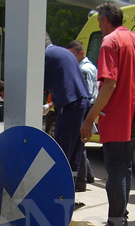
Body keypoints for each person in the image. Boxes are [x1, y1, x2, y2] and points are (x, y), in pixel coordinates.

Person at [80, 1, 135, 226]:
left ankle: (114, 225)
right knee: (126, 169)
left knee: (115, 172)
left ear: (104, 20)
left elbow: (109, 83)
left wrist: (90, 118)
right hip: (134, 116)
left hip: (116, 117)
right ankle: (121, 220)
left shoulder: (110, 42)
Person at [43, 33, 90, 179]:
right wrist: (51, 104)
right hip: (82, 102)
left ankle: (59, 191)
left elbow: (37, 83)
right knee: (75, 150)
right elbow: (68, 85)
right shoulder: (63, 52)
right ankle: (71, 189)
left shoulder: (46, 55)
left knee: (62, 151)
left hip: (70, 106)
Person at [66, 39, 97, 190]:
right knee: (81, 145)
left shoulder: (83, 70)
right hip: (87, 107)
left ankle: (81, 180)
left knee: (79, 145)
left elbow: (86, 93)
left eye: (72, 55)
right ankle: (87, 176)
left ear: (81, 53)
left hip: (84, 107)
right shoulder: (88, 67)